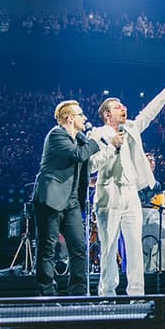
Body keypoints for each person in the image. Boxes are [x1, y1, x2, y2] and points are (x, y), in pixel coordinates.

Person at [89, 69, 165, 296]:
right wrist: (112, 146)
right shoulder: (97, 134)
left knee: (134, 246)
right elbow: (91, 166)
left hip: (131, 194)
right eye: (117, 107)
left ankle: (137, 294)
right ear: (107, 115)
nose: (123, 108)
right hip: (108, 193)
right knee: (109, 247)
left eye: (123, 106)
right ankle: (107, 295)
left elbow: (148, 114)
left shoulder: (131, 128)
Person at [32, 100, 100, 296]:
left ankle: (77, 293)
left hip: (71, 201)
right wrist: (95, 140)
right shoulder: (56, 135)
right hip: (51, 199)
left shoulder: (78, 138)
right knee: (48, 248)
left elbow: (85, 157)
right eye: (80, 115)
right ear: (70, 118)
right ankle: (48, 294)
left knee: (78, 247)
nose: (85, 118)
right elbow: (78, 155)